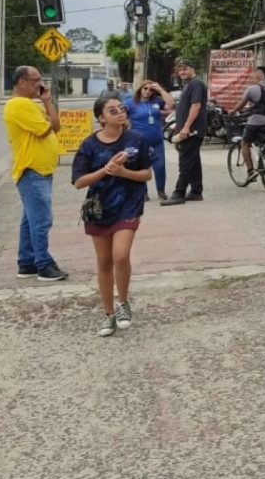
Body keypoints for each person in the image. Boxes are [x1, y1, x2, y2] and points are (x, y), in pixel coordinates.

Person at [71, 93, 152, 336]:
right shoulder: (89, 145)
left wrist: (124, 172)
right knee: (104, 261)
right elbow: (78, 182)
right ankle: (108, 314)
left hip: (129, 204)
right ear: (101, 118)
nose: (120, 113)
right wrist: (106, 170)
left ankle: (123, 302)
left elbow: (147, 174)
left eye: (121, 108)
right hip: (100, 208)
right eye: (113, 111)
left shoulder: (136, 139)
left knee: (121, 254)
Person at [3, 65, 67, 281]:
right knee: (41, 220)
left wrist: (47, 102)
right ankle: (44, 264)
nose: (40, 84)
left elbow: (56, 126)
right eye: (36, 80)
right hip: (32, 171)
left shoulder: (32, 105)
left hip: (40, 170)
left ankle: (27, 262)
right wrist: (47, 116)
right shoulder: (19, 104)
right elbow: (44, 129)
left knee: (30, 220)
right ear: (22, 82)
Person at [160, 59, 208, 206]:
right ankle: (196, 191)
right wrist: (178, 128)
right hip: (187, 129)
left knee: (185, 161)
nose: (182, 72)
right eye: (180, 69)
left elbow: (196, 106)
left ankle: (179, 193)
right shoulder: (188, 84)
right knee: (193, 160)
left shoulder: (196, 84)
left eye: (185, 69)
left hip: (193, 130)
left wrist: (186, 127)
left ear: (192, 69)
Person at [126, 79, 175, 200]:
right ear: (140, 89)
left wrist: (160, 89)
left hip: (156, 139)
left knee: (160, 166)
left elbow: (171, 104)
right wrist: (127, 126)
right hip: (139, 141)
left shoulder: (156, 101)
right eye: (145, 88)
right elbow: (120, 115)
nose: (148, 91)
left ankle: (161, 191)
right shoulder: (131, 103)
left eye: (151, 90)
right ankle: (143, 192)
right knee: (142, 167)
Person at [231, 67, 265, 182]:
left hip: (256, 121)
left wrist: (232, 111)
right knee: (262, 140)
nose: (250, 81)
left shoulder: (251, 89)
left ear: (258, 77)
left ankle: (250, 171)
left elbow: (241, 105)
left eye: (252, 78)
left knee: (245, 143)